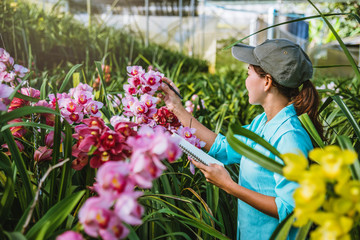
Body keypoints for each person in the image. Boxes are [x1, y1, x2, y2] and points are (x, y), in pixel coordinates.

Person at [159, 38, 322, 240]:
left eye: (248, 73)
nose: (244, 80)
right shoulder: (263, 122)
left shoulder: (289, 136)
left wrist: (229, 186)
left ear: (267, 81)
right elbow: (223, 148)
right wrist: (176, 107)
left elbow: (292, 209)